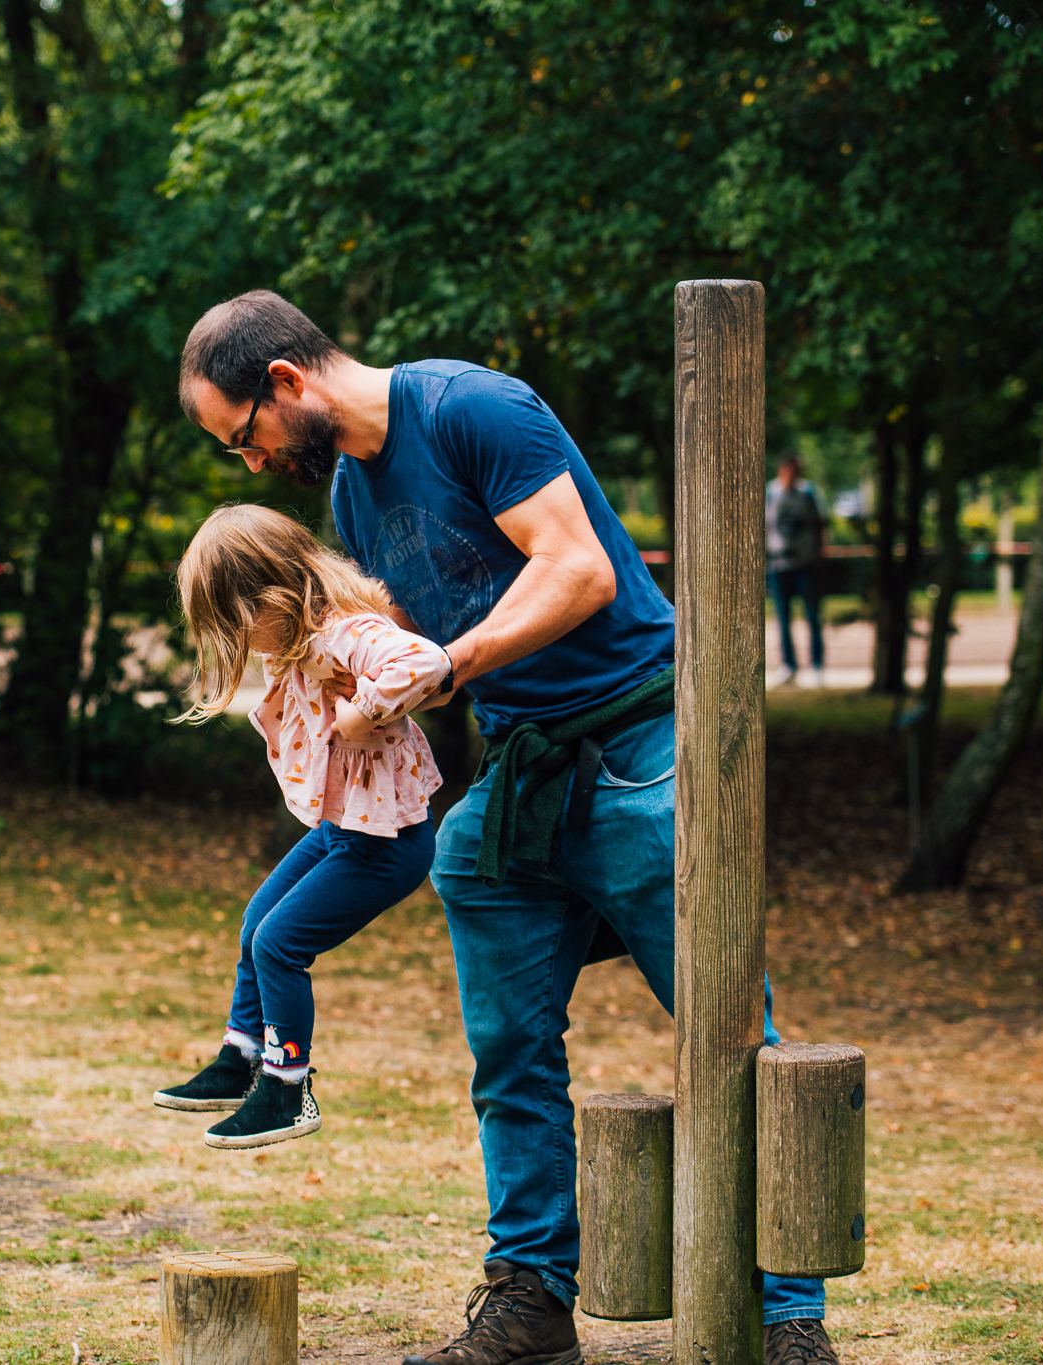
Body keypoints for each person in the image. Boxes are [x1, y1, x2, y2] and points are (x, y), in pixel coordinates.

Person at [176, 291, 841, 1365]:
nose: (249, 464)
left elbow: (573, 572)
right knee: (506, 1040)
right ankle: (529, 1299)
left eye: (240, 437)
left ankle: (786, 1315)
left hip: (645, 743)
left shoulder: (470, 409)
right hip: (528, 768)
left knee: (726, 1039)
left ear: (284, 384)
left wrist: (446, 665)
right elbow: (415, 657)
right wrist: (340, 693)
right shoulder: (352, 489)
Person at [152, 505, 451, 1149]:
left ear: (272, 594)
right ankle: (242, 1060)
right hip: (346, 829)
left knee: (280, 943)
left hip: (385, 843)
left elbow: (426, 663)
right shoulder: (299, 639)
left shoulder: (345, 631)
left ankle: (287, 1090)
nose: (239, 640)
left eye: (236, 622)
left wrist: (361, 712)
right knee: (257, 922)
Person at [765, 455, 827, 687]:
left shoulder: (809, 494)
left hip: (805, 565)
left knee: (812, 616)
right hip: (778, 565)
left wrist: (819, 556)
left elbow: (821, 525)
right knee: (783, 618)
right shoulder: (770, 493)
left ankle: (817, 664)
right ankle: (789, 665)